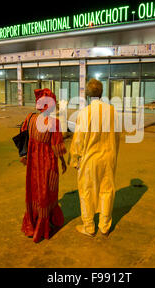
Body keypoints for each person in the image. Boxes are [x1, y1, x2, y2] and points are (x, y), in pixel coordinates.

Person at [70, 79, 121, 237]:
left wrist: (74, 158)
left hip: (90, 159)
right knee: (107, 190)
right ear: (102, 92)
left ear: (87, 94)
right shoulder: (113, 111)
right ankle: (105, 226)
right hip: (109, 156)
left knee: (87, 191)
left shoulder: (85, 113)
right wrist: (114, 155)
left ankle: (89, 226)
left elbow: (79, 138)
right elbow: (117, 136)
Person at [20, 88, 67, 243]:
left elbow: (22, 137)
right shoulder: (54, 123)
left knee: (34, 190)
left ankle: (32, 222)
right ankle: (44, 225)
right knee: (47, 192)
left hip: (33, 164)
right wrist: (63, 161)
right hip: (48, 164)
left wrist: (24, 156)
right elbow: (57, 146)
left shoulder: (30, 118)